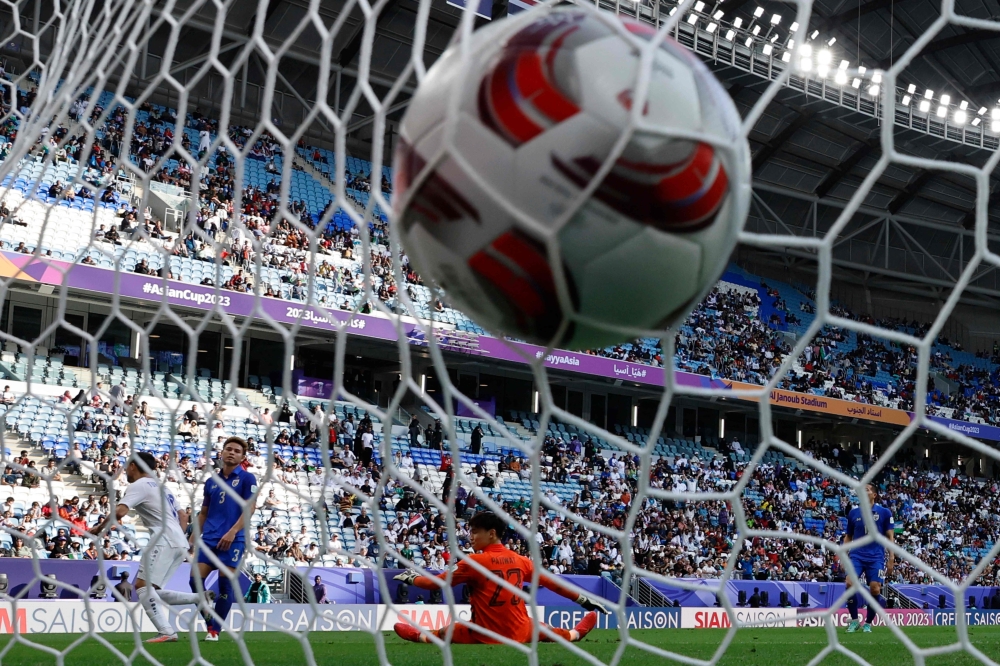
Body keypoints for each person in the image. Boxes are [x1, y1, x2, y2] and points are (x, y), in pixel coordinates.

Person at [392, 511, 607, 644]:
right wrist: (582, 599)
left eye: (475, 531)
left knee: (444, 632)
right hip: (520, 632)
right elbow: (554, 584)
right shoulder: (522, 560)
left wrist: (411, 578)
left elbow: (434, 583)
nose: (470, 536)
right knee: (549, 630)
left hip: (483, 634)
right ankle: (577, 633)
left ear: (492, 533)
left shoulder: (473, 561)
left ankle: (417, 635)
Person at [90, 452, 213, 643]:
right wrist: (178, 538)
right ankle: (199, 599)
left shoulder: (139, 485)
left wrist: (99, 528)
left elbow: (120, 512)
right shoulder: (163, 487)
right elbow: (183, 516)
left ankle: (166, 631)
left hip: (163, 538)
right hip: (180, 542)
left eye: (126, 466)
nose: (125, 470)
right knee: (152, 591)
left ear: (133, 466)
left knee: (142, 587)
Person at [192, 436, 257, 642]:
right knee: (194, 582)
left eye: (237, 451)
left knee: (225, 585)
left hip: (234, 539)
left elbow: (250, 508)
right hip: (209, 538)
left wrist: (233, 531)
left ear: (243, 457)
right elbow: (204, 513)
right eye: (228, 449)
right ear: (222, 453)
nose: (232, 453)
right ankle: (210, 622)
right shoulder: (211, 482)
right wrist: (193, 536)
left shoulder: (248, 479)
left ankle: (214, 631)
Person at [844, 484, 895, 633]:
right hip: (856, 555)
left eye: (867, 489)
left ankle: (868, 623)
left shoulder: (884, 512)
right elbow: (848, 536)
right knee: (849, 583)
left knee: (875, 588)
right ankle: (854, 621)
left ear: (874, 495)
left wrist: (891, 557)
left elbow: (890, 537)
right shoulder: (853, 513)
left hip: (876, 557)